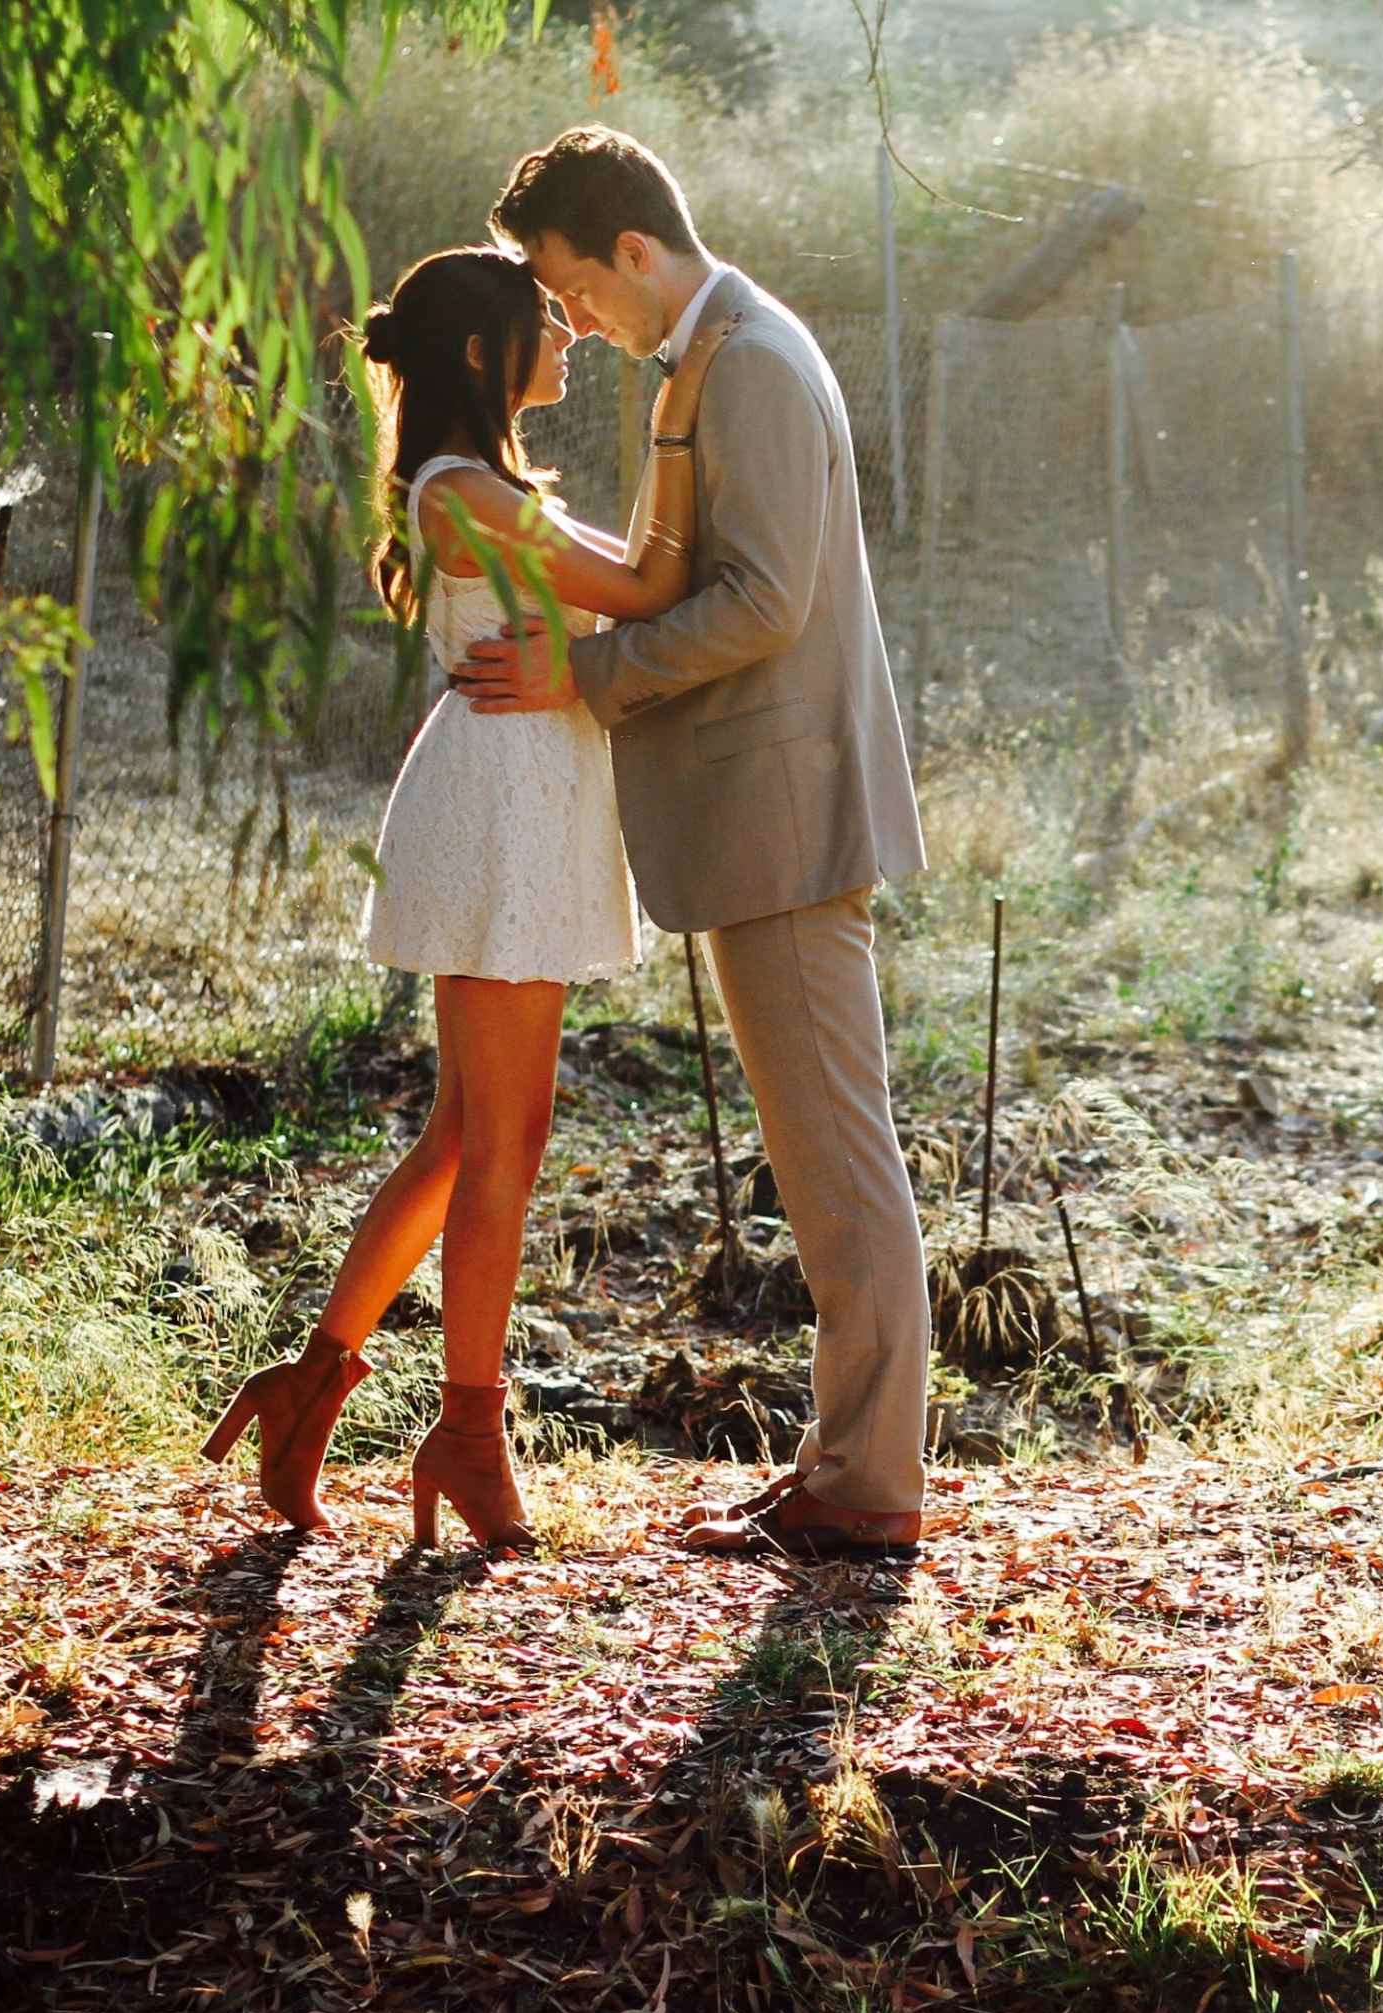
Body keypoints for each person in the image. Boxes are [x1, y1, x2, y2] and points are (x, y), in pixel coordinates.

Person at [456, 126, 933, 1563]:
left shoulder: (758, 365)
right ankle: (849, 1466)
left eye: (574, 288)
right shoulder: (713, 356)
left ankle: (866, 1486)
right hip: (755, 815)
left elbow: (766, 603)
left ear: (635, 252)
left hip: (784, 816)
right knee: (821, 1158)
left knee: (838, 1161)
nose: (573, 321)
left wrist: (589, 679)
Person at [202, 243, 701, 1548]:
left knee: (465, 1140)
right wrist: (683, 422)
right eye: (550, 320)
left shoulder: (483, 482)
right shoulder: (466, 489)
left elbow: (638, 581)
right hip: (500, 811)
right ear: (483, 355)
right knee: (501, 1146)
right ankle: (467, 1435)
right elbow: (654, 586)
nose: (573, 336)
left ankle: (311, 1393)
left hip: (521, 799)